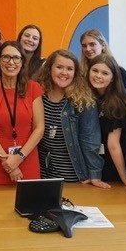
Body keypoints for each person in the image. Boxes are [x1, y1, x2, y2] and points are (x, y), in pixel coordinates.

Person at [35, 50, 108, 188]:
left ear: (75, 73)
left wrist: (94, 174)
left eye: (69, 69)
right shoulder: (37, 95)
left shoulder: (84, 100)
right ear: (49, 68)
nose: (64, 73)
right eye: (59, 67)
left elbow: (90, 141)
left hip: (73, 172)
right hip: (41, 171)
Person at [0, 41, 44, 185]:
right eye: (6, 57)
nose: (11, 62)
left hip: (27, 157)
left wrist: (18, 158)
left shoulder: (33, 88)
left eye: (16, 57)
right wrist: (8, 162)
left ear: (22, 62)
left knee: (29, 204)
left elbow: (39, 128)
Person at [87, 54, 126, 185]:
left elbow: (113, 145)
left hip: (116, 165)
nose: (98, 76)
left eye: (105, 73)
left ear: (113, 78)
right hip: (97, 162)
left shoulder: (117, 104)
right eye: (95, 70)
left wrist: (125, 179)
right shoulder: (90, 98)